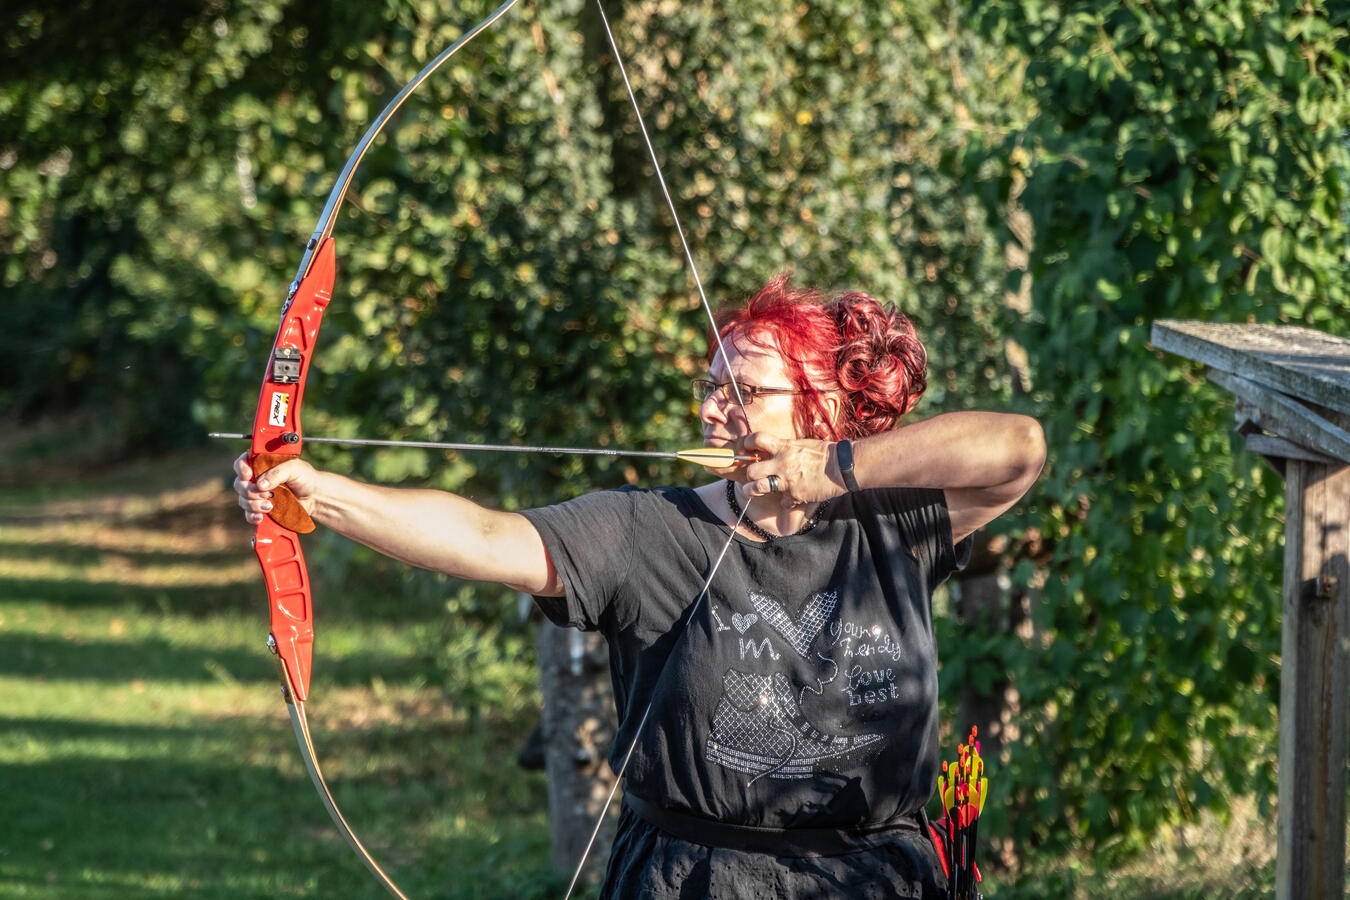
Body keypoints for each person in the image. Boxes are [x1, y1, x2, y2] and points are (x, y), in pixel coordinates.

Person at [234, 274, 1046, 898]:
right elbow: (485, 537)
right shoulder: (643, 530)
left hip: (874, 878)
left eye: (746, 392)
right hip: (694, 878)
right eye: (709, 388)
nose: (715, 410)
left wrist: (836, 472)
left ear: (824, 405)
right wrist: (320, 493)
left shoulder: (890, 522)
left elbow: (1019, 447)